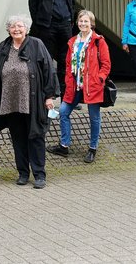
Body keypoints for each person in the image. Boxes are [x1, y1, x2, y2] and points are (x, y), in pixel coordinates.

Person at [0, 14, 57, 189]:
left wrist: (49, 96)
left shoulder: (36, 45)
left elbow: (49, 71)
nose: (16, 29)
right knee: (18, 138)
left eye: (20, 26)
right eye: (13, 27)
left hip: (33, 100)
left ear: (26, 29)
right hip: (10, 101)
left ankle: (39, 174)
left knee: (36, 136)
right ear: (8, 29)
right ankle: (23, 173)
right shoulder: (3, 47)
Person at [47, 10, 112, 163]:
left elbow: (106, 64)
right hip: (75, 85)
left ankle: (92, 148)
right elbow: (68, 63)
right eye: (81, 21)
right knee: (63, 112)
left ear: (92, 24)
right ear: (77, 22)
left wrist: (100, 78)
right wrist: (68, 80)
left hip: (92, 85)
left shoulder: (98, 41)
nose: (83, 24)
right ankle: (64, 146)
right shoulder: (72, 42)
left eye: (86, 21)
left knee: (94, 117)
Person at [28, 0, 76, 95]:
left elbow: (72, 0)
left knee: (65, 59)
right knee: (46, 58)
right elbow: (32, 3)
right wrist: (39, 21)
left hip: (65, 24)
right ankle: (48, 92)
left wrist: (70, 18)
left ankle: (65, 92)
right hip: (46, 25)